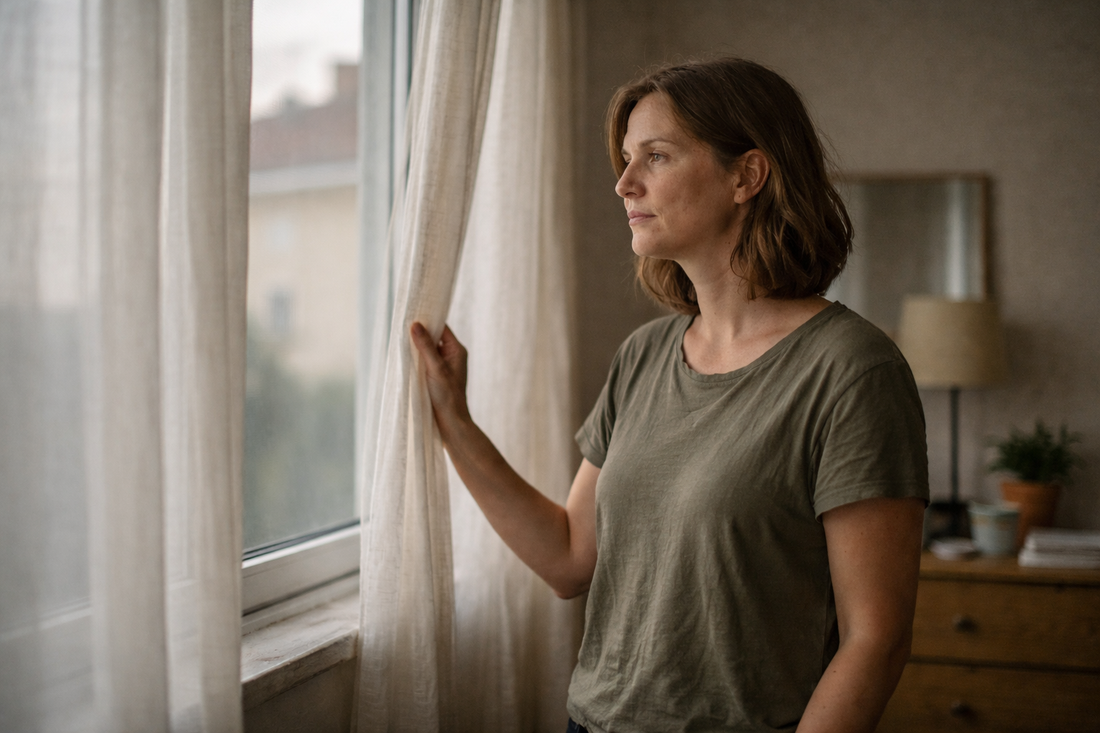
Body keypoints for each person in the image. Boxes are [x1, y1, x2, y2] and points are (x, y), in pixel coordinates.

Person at [411, 57, 928, 733]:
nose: (625, 183)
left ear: (747, 174)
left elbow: (875, 640)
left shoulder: (853, 370)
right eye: (627, 159)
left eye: (655, 156)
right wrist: (455, 419)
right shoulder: (645, 355)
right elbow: (569, 556)